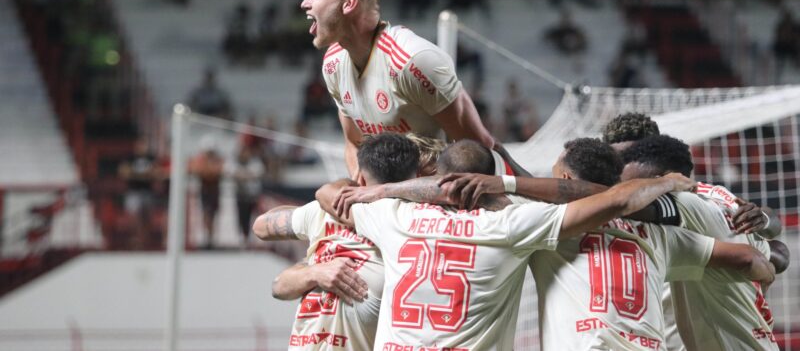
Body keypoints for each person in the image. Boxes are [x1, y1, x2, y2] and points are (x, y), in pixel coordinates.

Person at [333, 139, 709, 350]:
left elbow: (327, 193)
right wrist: (668, 184)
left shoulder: (393, 216)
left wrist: (385, 190)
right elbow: (748, 259)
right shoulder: (517, 222)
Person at [300, 0, 494, 177]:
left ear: (349, 3)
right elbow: (354, 144)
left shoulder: (412, 61)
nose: (304, 3)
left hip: (439, 194)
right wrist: (362, 192)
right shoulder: (333, 64)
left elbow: (479, 153)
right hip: (385, 198)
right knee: (285, 211)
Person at [252, 133, 422, 350]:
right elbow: (277, 285)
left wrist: (338, 187)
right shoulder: (411, 226)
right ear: (415, 179)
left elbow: (262, 226)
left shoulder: (330, 210)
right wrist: (314, 272)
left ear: (360, 177)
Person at [621, 135, 787, 351]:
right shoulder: (719, 197)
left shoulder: (685, 203)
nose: (619, 185)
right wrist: (767, 223)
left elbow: (623, 203)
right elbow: (777, 250)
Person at [188, 136, 225, 248]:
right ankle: (207, 237)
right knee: (206, 214)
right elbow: (197, 170)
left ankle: (211, 238)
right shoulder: (201, 159)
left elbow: (216, 172)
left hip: (214, 191)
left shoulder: (218, 160)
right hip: (205, 191)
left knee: (213, 215)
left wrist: (208, 172)